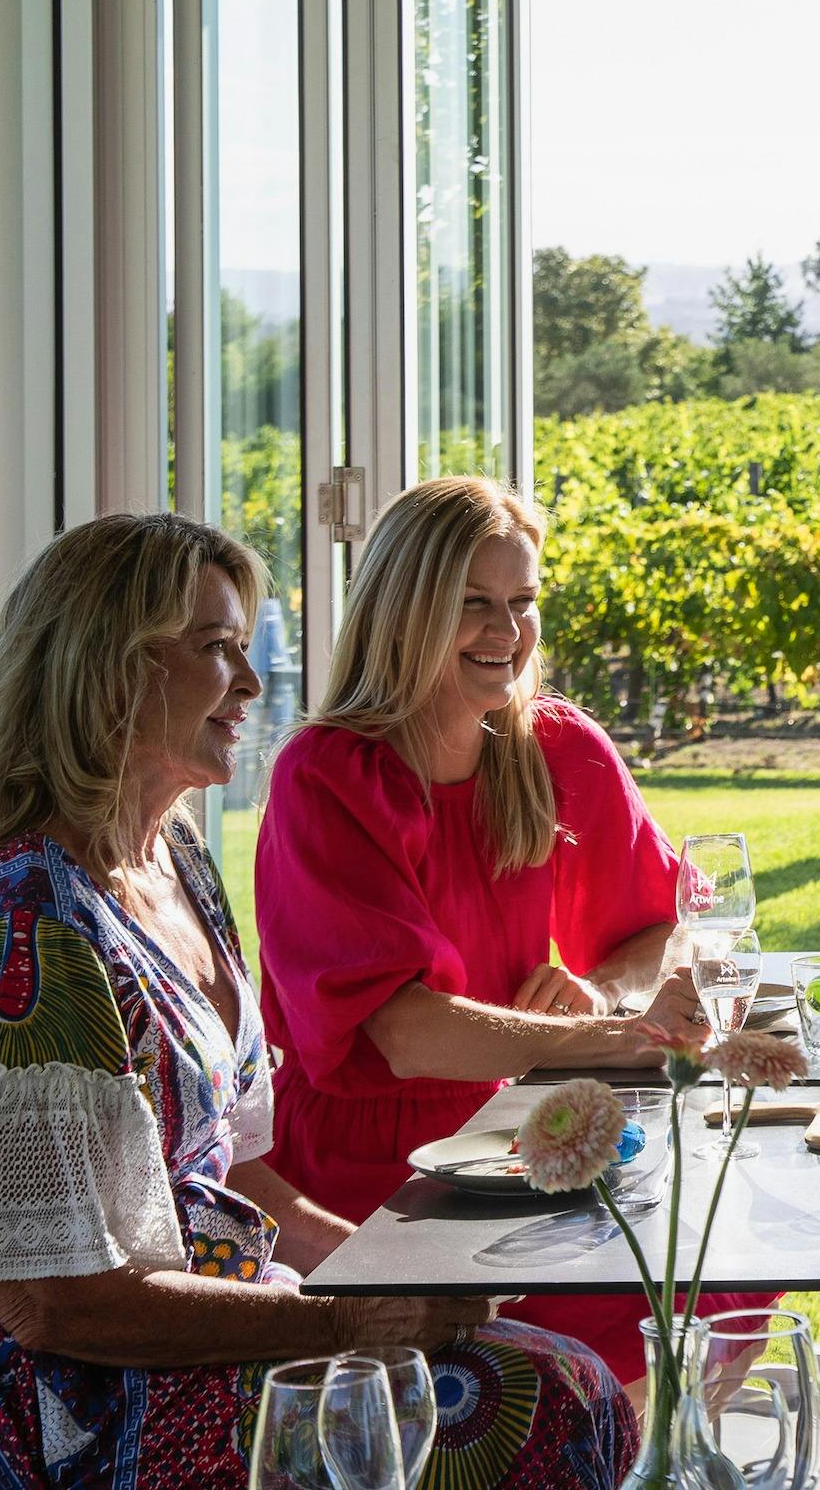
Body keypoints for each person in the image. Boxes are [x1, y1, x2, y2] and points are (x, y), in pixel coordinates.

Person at [0, 513, 631, 1488]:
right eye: (217, 650)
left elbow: (242, 1178)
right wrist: (349, 1319)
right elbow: (55, 1304)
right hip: (46, 1412)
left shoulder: (174, 863)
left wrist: (386, 1276)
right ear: (110, 669)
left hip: (159, 1331)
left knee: (550, 1378)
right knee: (532, 1407)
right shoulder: (23, 931)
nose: (252, 685)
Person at [253, 476, 763, 1386]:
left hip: (529, 1138)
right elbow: (405, 1032)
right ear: (403, 612)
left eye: (522, 603)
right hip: (377, 1181)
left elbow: (666, 931)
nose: (508, 633)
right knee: (634, 1313)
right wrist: (610, 1035)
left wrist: (604, 988)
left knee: (720, 1277)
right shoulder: (327, 776)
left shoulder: (560, 748)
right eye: (475, 604)